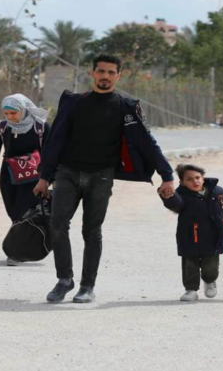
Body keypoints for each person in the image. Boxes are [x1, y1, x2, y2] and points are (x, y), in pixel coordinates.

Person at [33, 54, 175, 304]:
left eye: (111, 72)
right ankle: (64, 280)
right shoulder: (74, 103)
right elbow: (55, 140)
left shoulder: (126, 106)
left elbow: (146, 142)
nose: (105, 77)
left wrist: (167, 175)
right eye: (101, 71)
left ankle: (87, 286)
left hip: (101, 177)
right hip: (67, 172)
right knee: (57, 225)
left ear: (119, 76)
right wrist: (44, 177)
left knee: (92, 230)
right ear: (92, 73)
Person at [0, 94, 50, 266]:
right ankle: (23, 247)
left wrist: (49, 178)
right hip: (10, 176)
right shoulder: (3, 127)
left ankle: (16, 253)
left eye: (14, 113)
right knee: (13, 210)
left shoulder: (40, 127)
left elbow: (51, 153)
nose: (10, 117)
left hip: (33, 177)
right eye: (7, 114)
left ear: (24, 110)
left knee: (24, 211)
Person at [160, 164, 223, 302]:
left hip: (213, 235)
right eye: (189, 179)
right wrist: (168, 197)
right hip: (189, 235)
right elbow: (176, 204)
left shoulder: (217, 191)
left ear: (203, 178)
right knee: (189, 264)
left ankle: (210, 281)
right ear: (182, 183)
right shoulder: (181, 194)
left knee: (210, 265)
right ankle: (191, 290)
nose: (195, 181)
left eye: (197, 177)